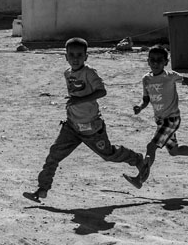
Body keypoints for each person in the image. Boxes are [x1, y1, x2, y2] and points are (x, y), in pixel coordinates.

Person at [24, 37, 144, 203]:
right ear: (66, 57)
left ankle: (137, 159)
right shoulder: (67, 73)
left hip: (91, 128)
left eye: (79, 55)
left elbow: (102, 91)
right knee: (53, 156)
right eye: (71, 55)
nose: (75, 58)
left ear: (86, 56)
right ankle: (42, 189)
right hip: (72, 126)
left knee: (108, 154)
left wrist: (79, 101)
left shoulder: (89, 72)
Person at [126, 45, 188, 189]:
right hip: (161, 121)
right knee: (174, 151)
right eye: (152, 60)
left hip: (172, 120)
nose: (155, 63)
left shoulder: (170, 76)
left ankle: (139, 179)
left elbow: (187, 81)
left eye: (159, 60)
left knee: (151, 146)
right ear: (147, 61)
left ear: (166, 62)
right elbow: (146, 100)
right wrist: (140, 107)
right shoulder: (146, 79)